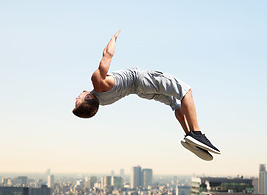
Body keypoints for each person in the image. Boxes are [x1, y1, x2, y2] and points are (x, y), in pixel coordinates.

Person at [73, 30, 220, 160]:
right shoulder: (97, 82)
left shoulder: (103, 102)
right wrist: (114, 37)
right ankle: (197, 133)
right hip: (142, 81)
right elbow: (107, 55)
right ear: (88, 98)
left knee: (175, 103)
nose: (76, 98)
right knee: (185, 91)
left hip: (140, 92)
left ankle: (188, 135)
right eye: (77, 101)